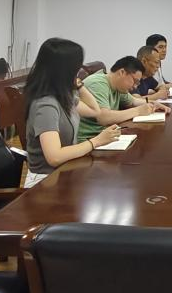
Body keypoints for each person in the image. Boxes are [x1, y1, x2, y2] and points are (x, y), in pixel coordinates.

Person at [24, 38, 122, 188]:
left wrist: (79, 85)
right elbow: (54, 157)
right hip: (45, 182)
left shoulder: (63, 96)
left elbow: (94, 110)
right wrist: (96, 141)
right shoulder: (46, 105)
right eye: (76, 68)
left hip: (65, 171)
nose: (78, 72)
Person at [77, 55, 170, 143]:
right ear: (122, 72)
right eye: (135, 81)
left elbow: (133, 101)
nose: (135, 86)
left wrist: (153, 103)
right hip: (88, 140)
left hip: (106, 135)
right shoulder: (97, 83)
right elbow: (103, 117)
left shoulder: (118, 86)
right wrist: (138, 111)